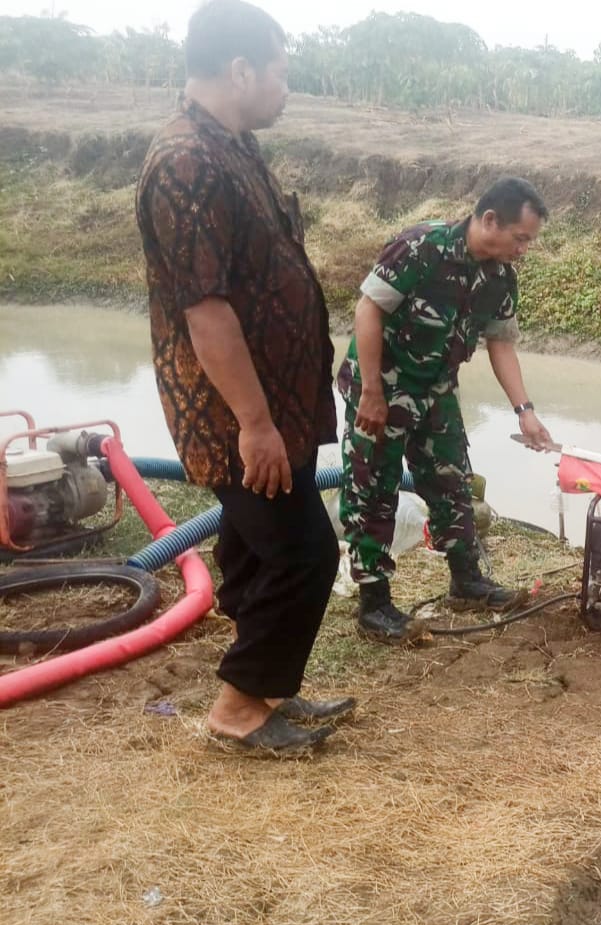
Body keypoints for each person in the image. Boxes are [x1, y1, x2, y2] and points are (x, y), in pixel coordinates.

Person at [135, 0, 352, 755]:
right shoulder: (187, 162)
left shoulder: (231, 146)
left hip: (271, 405)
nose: (288, 86)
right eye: (282, 70)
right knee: (304, 551)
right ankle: (237, 708)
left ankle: (263, 690)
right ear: (241, 70)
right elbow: (208, 313)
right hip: (235, 411)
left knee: (258, 547)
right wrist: (255, 423)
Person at [339, 178, 555, 644]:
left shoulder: (499, 278)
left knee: (450, 479)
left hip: (435, 389)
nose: (524, 249)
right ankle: (374, 605)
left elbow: (500, 343)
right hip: (384, 384)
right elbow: (368, 310)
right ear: (490, 220)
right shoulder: (421, 247)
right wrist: (372, 392)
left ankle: (466, 582)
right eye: (521, 238)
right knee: (374, 487)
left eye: (529, 241)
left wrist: (524, 410)